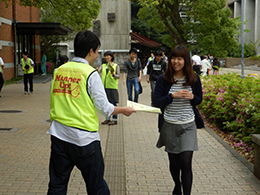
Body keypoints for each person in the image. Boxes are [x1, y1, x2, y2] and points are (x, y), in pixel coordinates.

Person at [47, 30, 135, 195]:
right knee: (96, 187)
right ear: (91, 51)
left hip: (59, 136)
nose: (97, 55)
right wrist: (123, 110)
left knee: (57, 186)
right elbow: (105, 108)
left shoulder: (59, 71)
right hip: (84, 140)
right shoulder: (90, 73)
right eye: (97, 51)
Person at [154, 45, 204, 195]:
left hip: (188, 125)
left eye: (180, 58)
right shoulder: (164, 79)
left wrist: (192, 97)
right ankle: (177, 184)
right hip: (169, 125)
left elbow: (199, 100)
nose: (176, 61)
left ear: (186, 60)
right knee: (174, 163)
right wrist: (172, 96)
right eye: (173, 58)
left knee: (186, 162)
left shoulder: (194, 79)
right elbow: (156, 102)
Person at [98, 51, 120, 125]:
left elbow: (118, 76)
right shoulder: (103, 65)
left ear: (111, 57)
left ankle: (114, 119)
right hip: (104, 87)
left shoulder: (116, 66)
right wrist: (97, 70)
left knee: (113, 103)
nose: (106, 57)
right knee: (105, 103)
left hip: (112, 87)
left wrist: (113, 74)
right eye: (105, 56)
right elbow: (98, 71)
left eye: (108, 56)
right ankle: (107, 118)